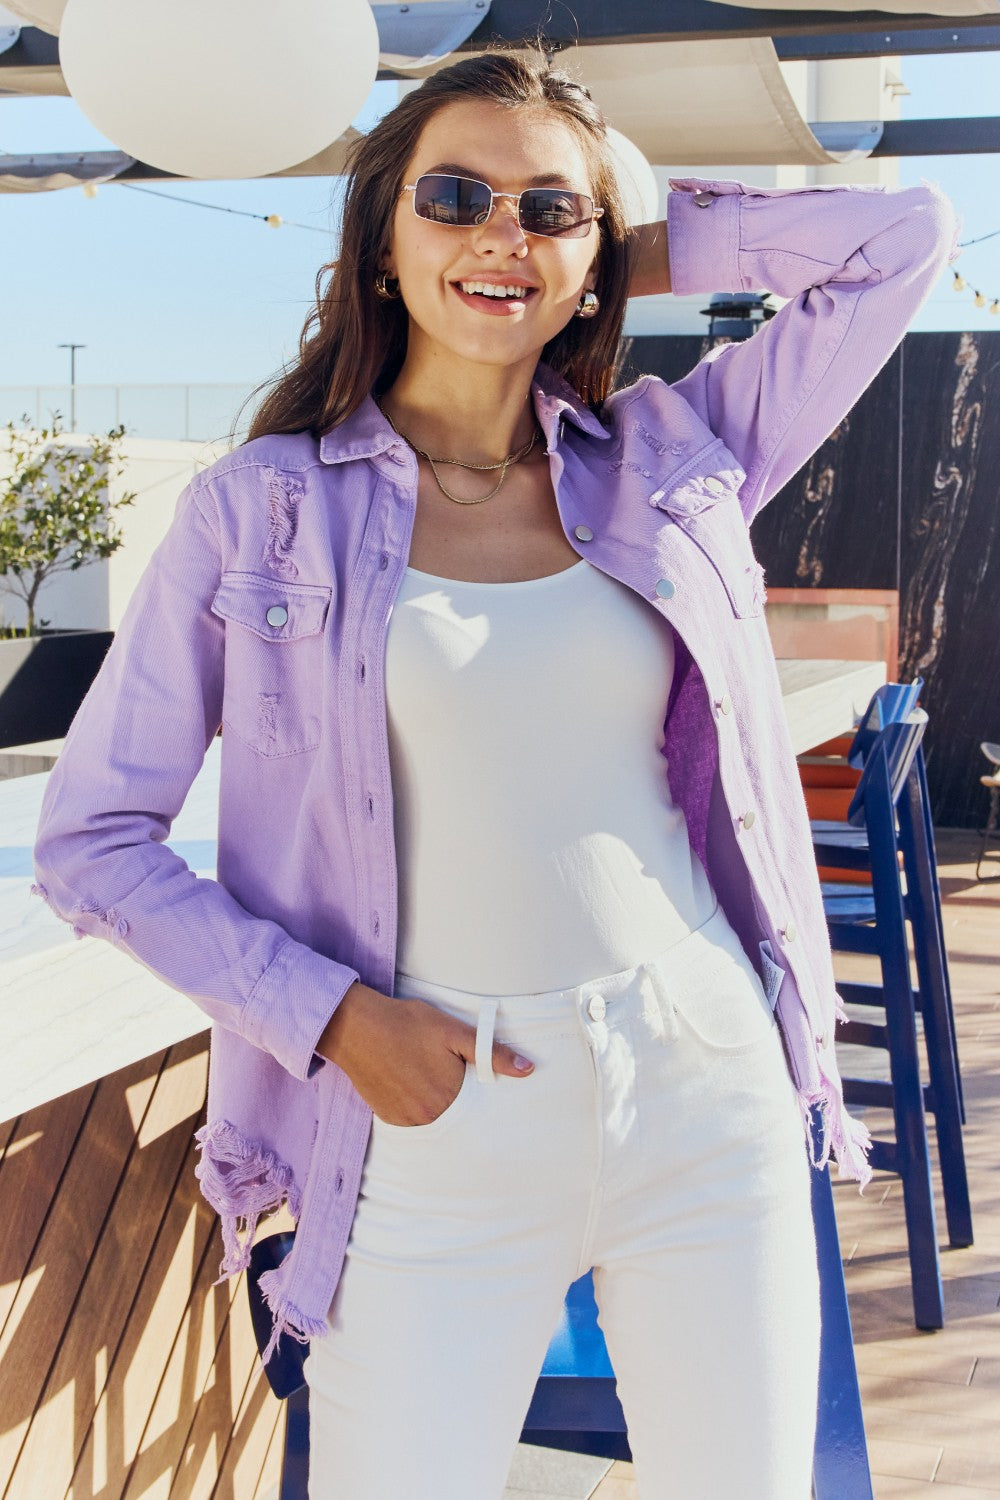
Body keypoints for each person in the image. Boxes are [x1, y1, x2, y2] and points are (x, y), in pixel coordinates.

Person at [32, 49, 955, 1500]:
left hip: (704, 1075)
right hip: (428, 1106)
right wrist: (332, 1023)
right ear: (382, 237)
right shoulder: (259, 514)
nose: (499, 234)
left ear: (601, 255)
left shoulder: (673, 452)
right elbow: (94, 841)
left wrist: (614, 245)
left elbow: (899, 242)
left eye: (547, 210)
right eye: (454, 197)